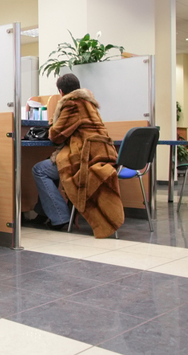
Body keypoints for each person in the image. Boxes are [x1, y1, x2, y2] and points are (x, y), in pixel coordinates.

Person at [31, 74, 124, 239]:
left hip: (86, 158)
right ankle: (44, 213)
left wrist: (53, 120)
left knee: (39, 169)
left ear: (60, 91)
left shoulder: (71, 104)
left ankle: (60, 218)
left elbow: (56, 135)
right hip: (102, 155)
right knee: (50, 163)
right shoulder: (89, 103)